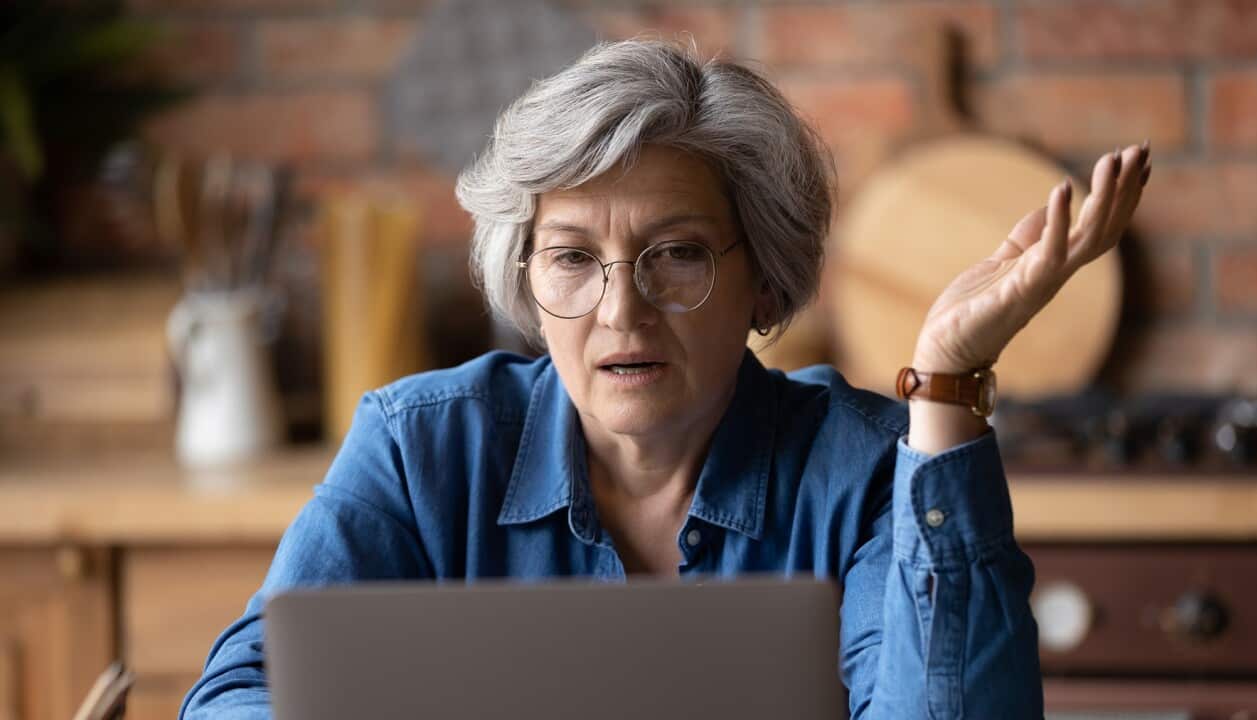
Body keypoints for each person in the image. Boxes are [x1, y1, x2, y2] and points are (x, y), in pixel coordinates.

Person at [181, 39, 1149, 718]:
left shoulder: (866, 469)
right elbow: (236, 696)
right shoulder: (418, 447)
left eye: (676, 254)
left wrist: (944, 383)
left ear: (762, 277)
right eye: (572, 258)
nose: (621, 311)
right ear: (525, 281)